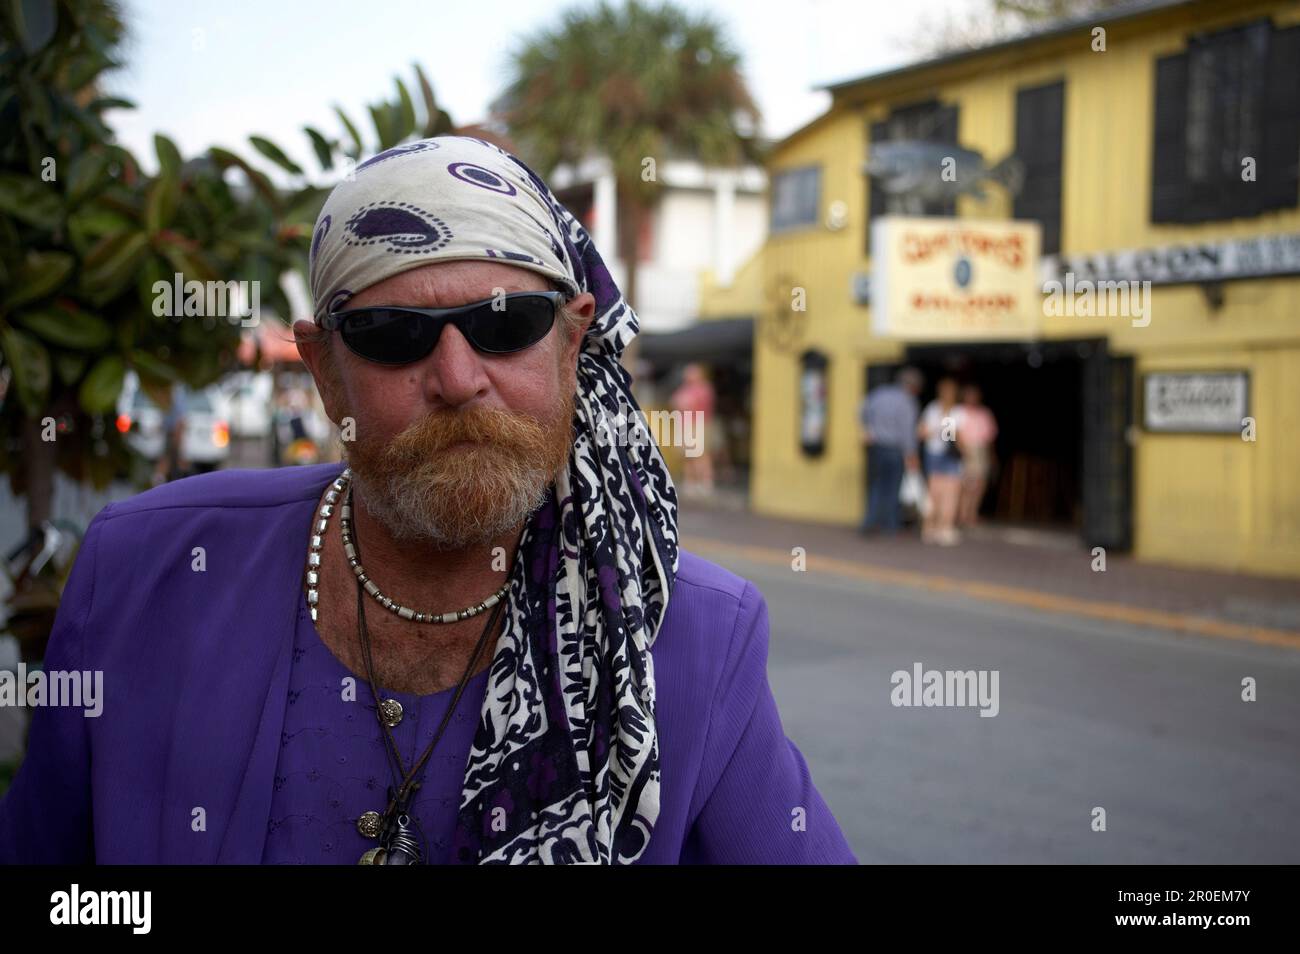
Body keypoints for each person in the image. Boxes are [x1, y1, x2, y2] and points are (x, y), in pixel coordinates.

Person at [0, 136, 855, 865]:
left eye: (506, 322)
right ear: (327, 371)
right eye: (396, 337)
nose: (456, 379)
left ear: (571, 343)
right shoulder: (146, 574)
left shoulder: (685, 636)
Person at [858, 367, 922, 535]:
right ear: (912, 386)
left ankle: (870, 521)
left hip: (876, 447)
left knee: (875, 485)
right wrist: (911, 454)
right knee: (893, 488)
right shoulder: (907, 401)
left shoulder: (879, 393)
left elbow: (861, 411)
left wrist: (869, 429)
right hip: (895, 449)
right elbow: (907, 431)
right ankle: (890, 526)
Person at [918, 376, 966, 546]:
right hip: (947, 456)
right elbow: (953, 437)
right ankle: (943, 529)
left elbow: (922, 433)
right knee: (948, 494)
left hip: (932, 454)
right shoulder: (955, 411)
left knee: (934, 493)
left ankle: (929, 528)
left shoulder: (932, 409)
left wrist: (934, 430)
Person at [670, 363, 716, 497]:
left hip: (698, 424)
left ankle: (705, 482)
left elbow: (695, 405)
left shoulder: (704, 388)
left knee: (701, 455)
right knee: (687, 456)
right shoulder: (684, 389)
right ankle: (690, 482)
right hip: (685, 425)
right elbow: (675, 402)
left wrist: (685, 405)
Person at [957, 383, 998, 528]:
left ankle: (972, 513)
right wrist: (960, 449)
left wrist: (992, 456)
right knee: (966, 483)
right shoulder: (958, 411)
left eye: (974, 395)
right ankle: (961, 514)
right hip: (964, 448)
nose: (972, 398)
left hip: (981, 449)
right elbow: (948, 434)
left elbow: (990, 438)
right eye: (969, 395)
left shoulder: (985, 413)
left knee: (980, 483)